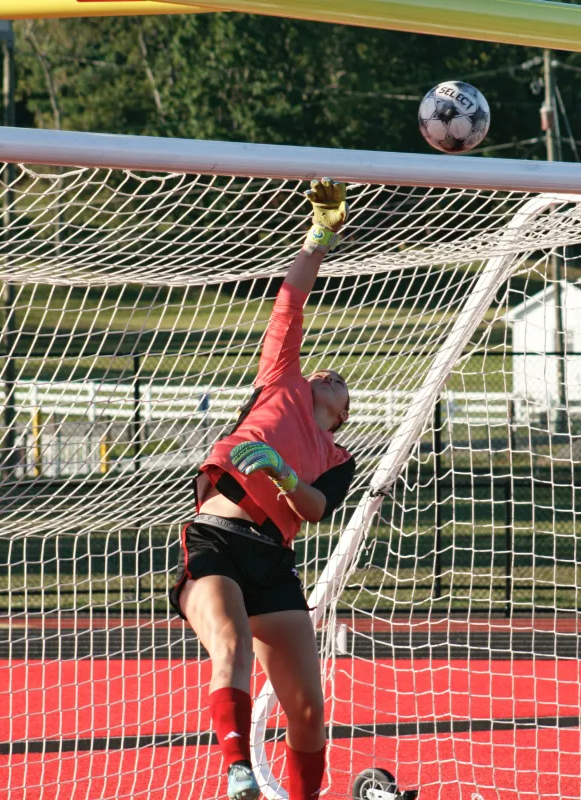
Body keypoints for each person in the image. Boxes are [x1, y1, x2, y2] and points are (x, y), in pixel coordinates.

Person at [168, 179, 356, 800]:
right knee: (231, 643)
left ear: (343, 412)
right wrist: (320, 237)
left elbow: (318, 507)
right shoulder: (283, 382)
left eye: (338, 384)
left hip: (273, 559)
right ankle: (239, 770)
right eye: (323, 371)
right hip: (217, 535)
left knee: (308, 713)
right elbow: (291, 300)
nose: (327, 373)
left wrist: (282, 473)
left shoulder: (336, 453)